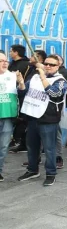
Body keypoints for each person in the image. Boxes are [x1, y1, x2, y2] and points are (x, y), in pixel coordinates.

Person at [16, 54, 67, 186]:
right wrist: (21, 82)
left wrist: (43, 77)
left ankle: (51, 173)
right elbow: (23, 92)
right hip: (33, 117)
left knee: (49, 149)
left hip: (48, 120)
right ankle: (32, 170)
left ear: (58, 66)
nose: (48, 66)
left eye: (52, 65)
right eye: (46, 64)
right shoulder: (35, 77)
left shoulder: (61, 81)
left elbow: (54, 94)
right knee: (32, 147)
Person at [9, 49, 47, 154]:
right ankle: (24, 145)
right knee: (25, 123)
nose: (30, 57)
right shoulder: (30, 68)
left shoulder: (42, 71)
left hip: (38, 105)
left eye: (33, 56)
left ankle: (39, 150)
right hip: (26, 99)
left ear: (40, 59)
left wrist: (42, 68)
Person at [0, 52, 17, 181]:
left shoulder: (13, 76)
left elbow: (22, 90)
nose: (5, 63)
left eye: (6, 60)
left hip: (7, 117)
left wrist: (21, 83)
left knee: (4, 146)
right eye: (1, 61)